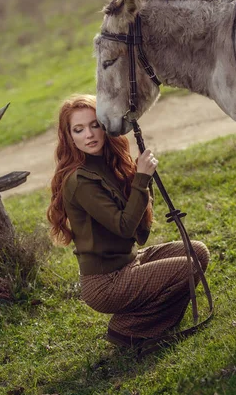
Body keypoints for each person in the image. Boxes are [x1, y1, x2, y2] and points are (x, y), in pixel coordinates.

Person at [47, 94, 210, 348]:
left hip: (130, 262)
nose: (88, 135)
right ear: (69, 136)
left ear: (105, 126)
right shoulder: (80, 181)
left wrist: (138, 176)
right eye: (78, 130)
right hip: (106, 283)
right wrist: (141, 180)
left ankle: (151, 321)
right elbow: (124, 228)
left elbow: (140, 233)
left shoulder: (110, 164)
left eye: (94, 125)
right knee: (189, 266)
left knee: (198, 252)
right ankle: (130, 329)